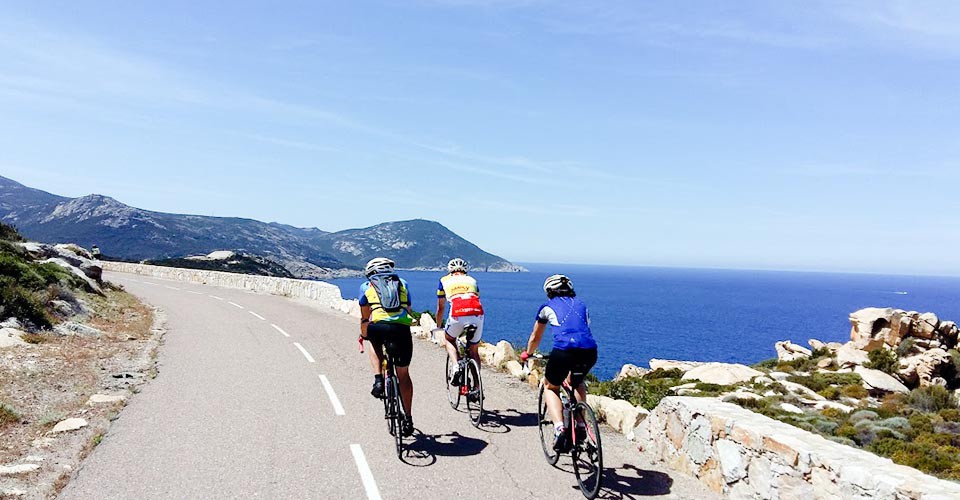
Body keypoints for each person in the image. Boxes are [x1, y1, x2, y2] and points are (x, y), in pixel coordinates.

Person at [521, 274, 598, 452]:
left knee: (550, 386)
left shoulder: (546, 307)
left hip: (563, 351)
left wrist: (528, 353)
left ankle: (559, 429)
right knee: (576, 382)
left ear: (549, 291)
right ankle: (580, 424)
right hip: (589, 351)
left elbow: (535, 337)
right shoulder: (582, 304)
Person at [358, 257, 416, 436]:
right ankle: (408, 418)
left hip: (378, 327)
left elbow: (365, 317)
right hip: (401, 329)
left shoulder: (366, 286)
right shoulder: (403, 283)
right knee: (403, 374)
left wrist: (363, 335)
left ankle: (378, 380)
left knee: (372, 342)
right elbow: (408, 310)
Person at [435, 258, 484, 388]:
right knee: (474, 351)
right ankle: (477, 386)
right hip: (477, 313)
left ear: (450, 270)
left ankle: (456, 366)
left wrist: (438, 326)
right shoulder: (472, 280)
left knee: (449, 339)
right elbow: (476, 297)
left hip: (458, 313)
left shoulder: (444, 280)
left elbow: (441, 308)